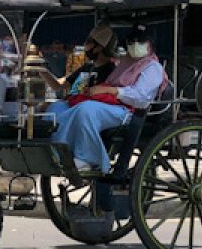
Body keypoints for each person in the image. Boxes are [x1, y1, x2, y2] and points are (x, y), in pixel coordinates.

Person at [51, 24, 168, 173]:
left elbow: (140, 97)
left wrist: (108, 90)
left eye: (139, 42)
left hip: (129, 110)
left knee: (85, 110)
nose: (134, 46)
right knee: (58, 108)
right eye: (131, 42)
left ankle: (88, 158)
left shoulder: (152, 67)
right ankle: (60, 151)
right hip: (108, 103)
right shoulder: (119, 63)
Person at [41, 24, 118, 103]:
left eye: (88, 42)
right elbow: (58, 86)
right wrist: (40, 69)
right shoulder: (87, 67)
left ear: (99, 47)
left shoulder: (111, 71)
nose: (84, 45)